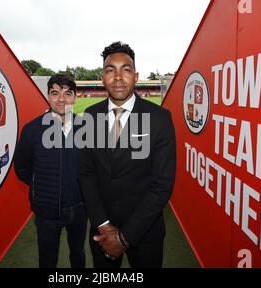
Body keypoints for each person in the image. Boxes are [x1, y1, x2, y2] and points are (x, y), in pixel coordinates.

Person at [79, 41, 176, 268]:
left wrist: (124, 238)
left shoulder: (160, 118)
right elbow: (86, 173)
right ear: (102, 77)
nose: (118, 77)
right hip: (100, 231)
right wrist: (103, 224)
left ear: (136, 75)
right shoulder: (90, 115)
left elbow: (162, 185)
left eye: (126, 69)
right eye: (110, 70)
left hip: (145, 232)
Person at [14, 74, 87, 268]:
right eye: (55, 93)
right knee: (47, 260)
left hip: (80, 209)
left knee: (78, 254)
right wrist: (42, 185)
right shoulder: (31, 130)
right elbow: (21, 167)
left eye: (67, 93)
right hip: (46, 212)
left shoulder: (87, 128)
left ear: (75, 98)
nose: (61, 99)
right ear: (47, 95)